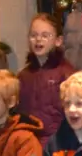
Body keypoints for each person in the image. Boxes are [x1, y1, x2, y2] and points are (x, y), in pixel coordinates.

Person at [17, 13, 75, 142]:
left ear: (58, 41)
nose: (38, 39)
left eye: (45, 36)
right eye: (33, 35)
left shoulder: (66, 74)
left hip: (57, 143)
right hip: (28, 141)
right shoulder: (24, 75)